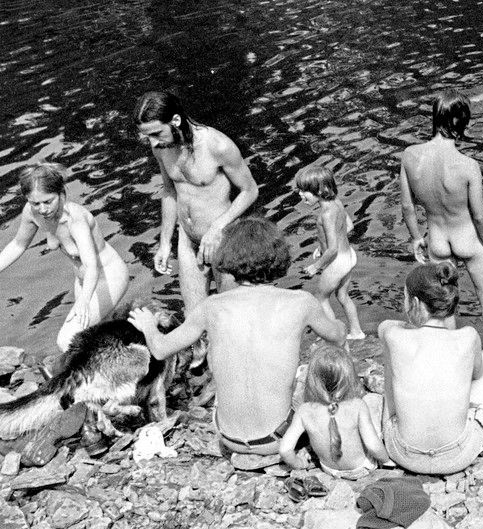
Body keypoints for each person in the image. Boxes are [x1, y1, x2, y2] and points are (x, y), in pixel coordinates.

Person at [129, 217, 346, 459]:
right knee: (308, 372)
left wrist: (148, 326)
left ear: (228, 257)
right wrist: (333, 316)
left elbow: (160, 349)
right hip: (278, 438)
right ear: (278, 257)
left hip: (228, 437)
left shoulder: (211, 306)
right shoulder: (301, 302)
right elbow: (337, 338)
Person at [0, 164, 130, 351]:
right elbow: (18, 245)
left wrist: (84, 301)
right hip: (82, 280)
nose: (43, 209)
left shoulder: (75, 220)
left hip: (107, 276)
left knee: (68, 340)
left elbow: (91, 265)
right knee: (97, 335)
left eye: (48, 201)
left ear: (60, 193)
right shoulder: (32, 213)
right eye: (35, 203)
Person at [376, 263, 483, 476]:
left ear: (415, 303)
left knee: (393, 376)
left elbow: (384, 325)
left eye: (405, 298)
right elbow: (478, 376)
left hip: (402, 453)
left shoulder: (393, 336)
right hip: (457, 456)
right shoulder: (468, 336)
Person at [134, 91, 259, 313]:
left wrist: (216, 228)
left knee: (232, 315)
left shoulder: (217, 145)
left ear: (175, 120)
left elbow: (250, 191)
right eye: (147, 136)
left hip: (223, 239)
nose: (152, 142)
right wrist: (164, 243)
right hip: (188, 240)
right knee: (194, 318)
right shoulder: (161, 148)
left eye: (156, 133)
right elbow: (169, 191)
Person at [399, 94, 483, 350]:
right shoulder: (468, 165)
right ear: (459, 121)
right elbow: (480, 216)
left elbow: (407, 206)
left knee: (444, 303)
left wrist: (416, 238)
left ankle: (451, 352)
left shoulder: (410, 156)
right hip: (466, 239)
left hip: (437, 241)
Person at [278, 345, 386, 479]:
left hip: (329, 469)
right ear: (348, 377)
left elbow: (284, 450)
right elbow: (373, 446)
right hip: (362, 467)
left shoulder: (304, 410)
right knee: (372, 399)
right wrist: (386, 460)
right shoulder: (357, 405)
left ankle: (310, 450)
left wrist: (299, 464)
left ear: (312, 379)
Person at [295, 164, 366, 340]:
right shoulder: (337, 203)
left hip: (337, 262)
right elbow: (349, 226)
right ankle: (356, 332)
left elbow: (333, 249)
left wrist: (316, 266)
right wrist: (322, 246)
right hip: (348, 256)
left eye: (304, 191)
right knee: (342, 296)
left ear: (319, 190)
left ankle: (335, 337)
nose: (300, 194)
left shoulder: (326, 214)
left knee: (321, 298)